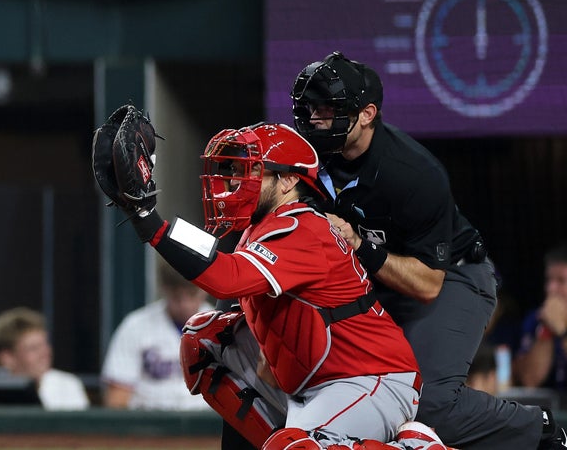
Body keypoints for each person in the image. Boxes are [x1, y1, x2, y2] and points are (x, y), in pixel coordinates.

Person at [92, 109, 447, 450]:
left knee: (293, 448)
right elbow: (214, 256)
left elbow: (226, 278)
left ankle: (415, 445)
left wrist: (150, 220)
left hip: (369, 377)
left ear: (289, 180)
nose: (234, 180)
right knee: (204, 340)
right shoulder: (262, 228)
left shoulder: (303, 227)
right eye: (233, 169)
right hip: (316, 378)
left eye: (250, 170)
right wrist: (144, 216)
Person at [290, 51, 566, 450]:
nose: (315, 118)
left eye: (328, 109)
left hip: (451, 275)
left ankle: (538, 430)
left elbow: (427, 284)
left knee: (428, 401)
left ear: (366, 114)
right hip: (372, 277)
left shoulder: (413, 172)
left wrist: (359, 245)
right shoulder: (309, 155)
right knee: (329, 381)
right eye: (311, 108)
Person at [101, 262, 211, 411]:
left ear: (205, 289)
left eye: (192, 294)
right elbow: (117, 400)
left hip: (207, 422)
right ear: (164, 290)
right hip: (149, 420)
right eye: (176, 297)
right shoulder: (135, 326)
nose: (184, 304)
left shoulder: (224, 325)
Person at [0, 306, 89, 411]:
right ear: (7, 358)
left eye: (45, 344)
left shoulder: (67, 385)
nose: (45, 353)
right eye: (33, 348)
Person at [513, 244, 567, 391]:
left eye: (561, 281)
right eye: (548, 280)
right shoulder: (536, 319)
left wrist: (562, 332)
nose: (551, 289)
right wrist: (547, 329)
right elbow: (529, 380)